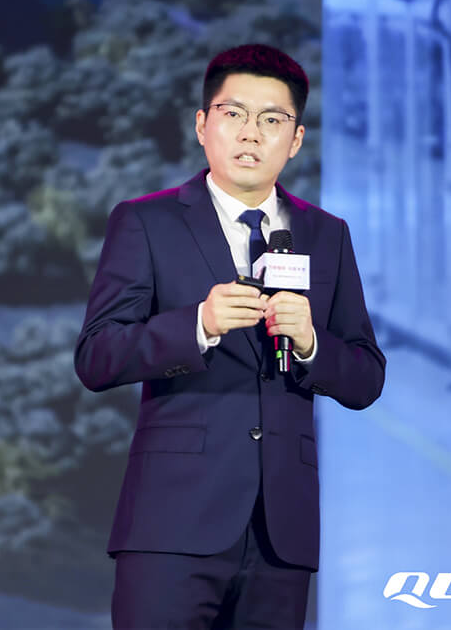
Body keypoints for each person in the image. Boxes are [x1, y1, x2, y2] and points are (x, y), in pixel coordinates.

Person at [75, 43, 385, 629]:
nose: (251, 133)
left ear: (295, 139)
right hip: (172, 524)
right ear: (202, 125)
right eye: (233, 113)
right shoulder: (146, 221)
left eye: (272, 119)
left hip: (281, 534)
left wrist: (312, 344)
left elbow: (366, 376)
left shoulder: (327, 234)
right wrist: (198, 324)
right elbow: (97, 356)